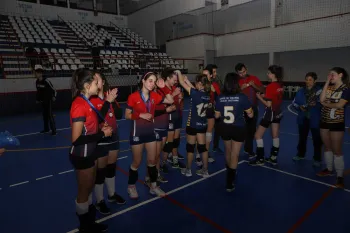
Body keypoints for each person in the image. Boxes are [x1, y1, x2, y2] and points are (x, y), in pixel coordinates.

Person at [69, 69, 112, 232]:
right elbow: (76, 139)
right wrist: (102, 134)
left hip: (90, 152)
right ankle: (84, 226)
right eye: (95, 83)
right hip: (82, 154)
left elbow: (91, 125)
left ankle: (89, 222)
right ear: (87, 86)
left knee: (89, 189)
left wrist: (101, 127)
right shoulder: (79, 104)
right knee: (84, 192)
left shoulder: (87, 101)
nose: (98, 85)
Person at [125, 72, 174, 199]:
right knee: (137, 162)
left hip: (150, 132)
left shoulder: (155, 96)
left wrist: (163, 87)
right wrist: (140, 115)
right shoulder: (133, 96)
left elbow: (170, 100)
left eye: (154, 81)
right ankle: (131, 186)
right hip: (137, 133)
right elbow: (127, 115)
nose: (152, 84)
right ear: (143, 81)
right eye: (150, 81)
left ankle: (153, 186)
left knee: (152, 161)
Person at [90, 72, 126, 215]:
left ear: (103, 82)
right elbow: (97, 118)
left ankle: (111, 194)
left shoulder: (108, 95)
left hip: (113, 136)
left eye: (97, 79)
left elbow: (118, 115)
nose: (95, 81)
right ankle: (99, 201)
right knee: (100, 171)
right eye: (93, 80)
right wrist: (107, 102)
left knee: (111, 167)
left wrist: (112, 100)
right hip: (101, 138)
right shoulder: (91, 100)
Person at [215, 72, 253, 191]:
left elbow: (216, 116)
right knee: (235, 154)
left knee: (228, 150)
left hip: (225, 127)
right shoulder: (242, 97)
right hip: (238, 127)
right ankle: (230, 181)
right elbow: (250, 115)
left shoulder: (220, 97)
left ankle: (229, 171)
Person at [317, 67, 349, 189]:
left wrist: (327, 104)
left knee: (337, 150)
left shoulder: (346, 89)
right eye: (329, 74)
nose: (330, 76)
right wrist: (326, 82)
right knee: (327, 147)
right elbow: (321, 99)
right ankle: (329, 169)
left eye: (332, 74)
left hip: (337, 122)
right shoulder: (329, 87)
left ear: (340, 75)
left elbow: (340, 105)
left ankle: (340, 176)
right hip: (324, 121)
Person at [177, 71, 211, 177]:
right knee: (202, 148)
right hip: (202, 125)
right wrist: (188, 81)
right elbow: (194, 90)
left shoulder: (195, 93)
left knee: (190, 148)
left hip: (192, 124)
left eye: (196, 83)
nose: (195, 84)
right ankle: (205, 170)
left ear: (200, 84)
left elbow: (182, 83)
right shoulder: (206, 95)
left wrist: (179, 73)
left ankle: (188, 170)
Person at [249, 65, 284, 166]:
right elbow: (274, 96)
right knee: (275, 135)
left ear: (273, 74)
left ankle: (260, 159)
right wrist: (266, 95)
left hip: (270, 113)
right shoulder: (280, 85)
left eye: (269, 72)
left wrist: (259, 97)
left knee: (257, 135)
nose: (267, 74)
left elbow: (268, 104)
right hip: (278, 112)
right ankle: (273, 157)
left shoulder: (270, 86)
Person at [292, 72, 322, 166]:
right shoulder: (300, 91)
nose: (308, 82)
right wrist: (299, 107)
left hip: (315, 119)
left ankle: (317, 158)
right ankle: (301, 154)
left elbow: (324, 103)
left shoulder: (320, 91)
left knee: (317, 139)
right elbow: (294, 102)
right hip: (302, 118)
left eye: (310, 80)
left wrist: (317, 104)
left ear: (315, 81)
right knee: (302, 138)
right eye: (306, 79)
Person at [235, 63, 264, 159]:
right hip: (240, 109)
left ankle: (249, 149)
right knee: (240, 130)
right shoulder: (236, 81)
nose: (242, 74)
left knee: (251, 130)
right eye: (240, 73)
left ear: (246, 69)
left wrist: (254, 85)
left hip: (253, 107)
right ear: (237, 73)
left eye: (244, 71)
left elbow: (262, 89)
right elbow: (232, 93)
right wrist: (239, 89)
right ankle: (236, 150)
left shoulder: (254, 78)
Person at [35, 64, 57, 135]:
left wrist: (54, 96)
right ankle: (46, 129)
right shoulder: (37, 82)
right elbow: (38, 92)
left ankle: (54, 131)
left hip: (49, 101)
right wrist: (38, 99)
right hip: (43, 102)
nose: (37, 74)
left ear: (41, 73)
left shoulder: (46, 81)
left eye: (38, 73)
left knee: (50, 116)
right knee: (44, 116)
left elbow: (54, 90)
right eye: (36, 73)